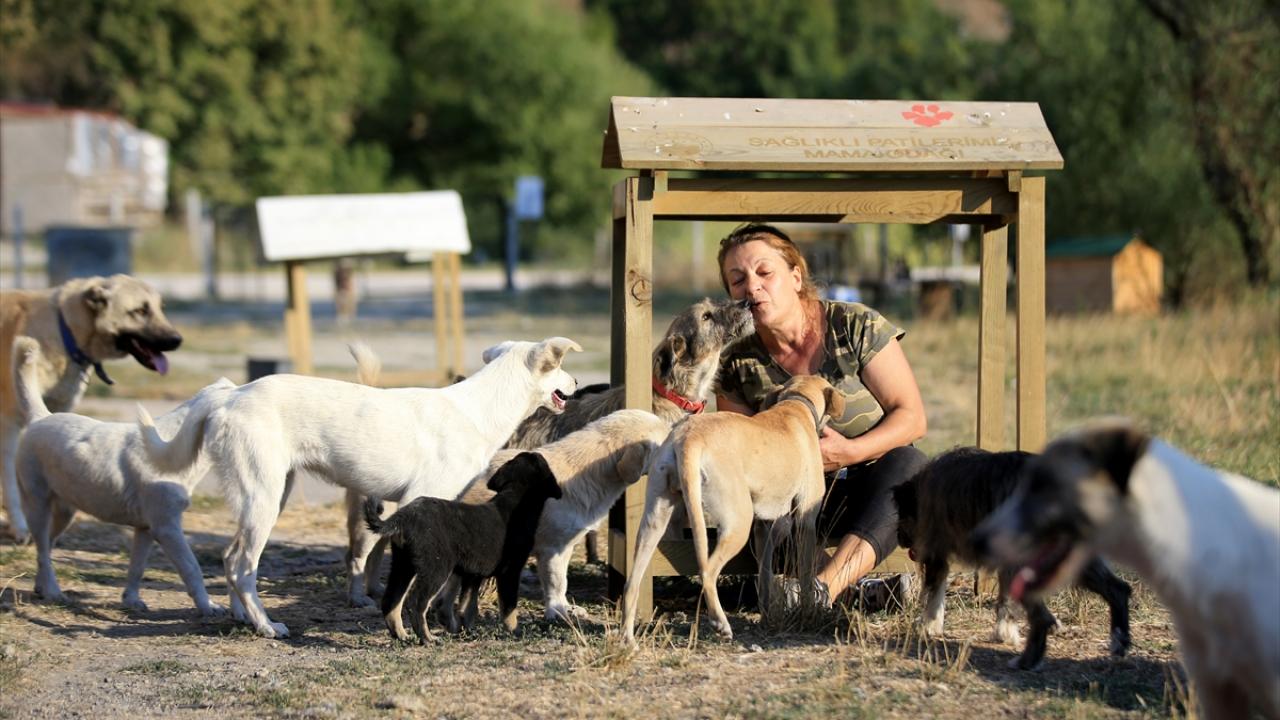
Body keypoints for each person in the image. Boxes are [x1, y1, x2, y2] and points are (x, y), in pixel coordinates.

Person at [715, 223, 928, 608]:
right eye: (737, 280)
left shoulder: (855, 325)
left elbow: (911, 417)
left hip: (869, 487)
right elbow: (738, 455)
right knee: (762, 503)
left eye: (765, 272)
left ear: (796, 276)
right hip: (794, 500)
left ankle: (821, 590)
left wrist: (848, 452)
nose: (751, 287)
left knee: (910, 465)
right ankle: (846, 594)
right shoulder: (735, 362)